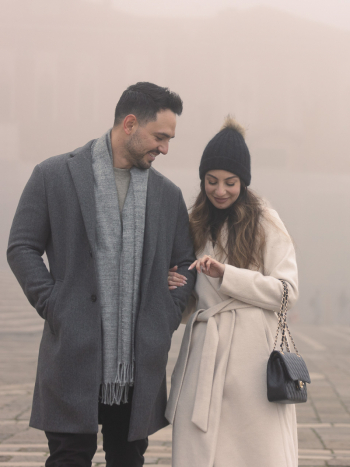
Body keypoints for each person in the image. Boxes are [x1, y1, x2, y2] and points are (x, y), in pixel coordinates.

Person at [6, 82, 196, 467]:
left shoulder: (168, 195)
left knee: (128, 459)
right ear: (129, 124)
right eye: (160, 136)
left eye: (170, 139)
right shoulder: (54, 174)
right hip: (73, 353)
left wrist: (165, 316)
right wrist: (55, 303)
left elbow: (185, 265)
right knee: (68, 458)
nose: (165, 148)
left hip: (138, 361)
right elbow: (21, 247)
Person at [165, 116, 300, 467]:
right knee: (199, 448)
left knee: (252, 451)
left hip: (251, 359)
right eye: (211, 181)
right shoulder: (193, 223)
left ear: (244, 181)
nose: (220, 190)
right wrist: (174, 287)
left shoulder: (265, 220)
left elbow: (287, 293)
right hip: (203, 351)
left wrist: (228, 275)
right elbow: (190, 303)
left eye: (230, 182)